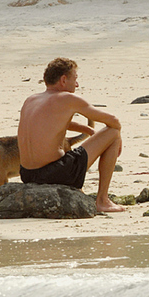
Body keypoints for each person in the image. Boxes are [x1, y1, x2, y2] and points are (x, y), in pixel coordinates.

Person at [18, 57, 125, 213]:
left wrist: (87, 130)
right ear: (63, 80)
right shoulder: (67, 98)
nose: (77, 84)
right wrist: (117, 139)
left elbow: (49, 124)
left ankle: (102, 199)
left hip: (27, 174)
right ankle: (102, 200)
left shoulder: (31, 100)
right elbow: (113, 121)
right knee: (113, 132)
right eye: (75, 79)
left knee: (111, 133)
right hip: (56, 174)